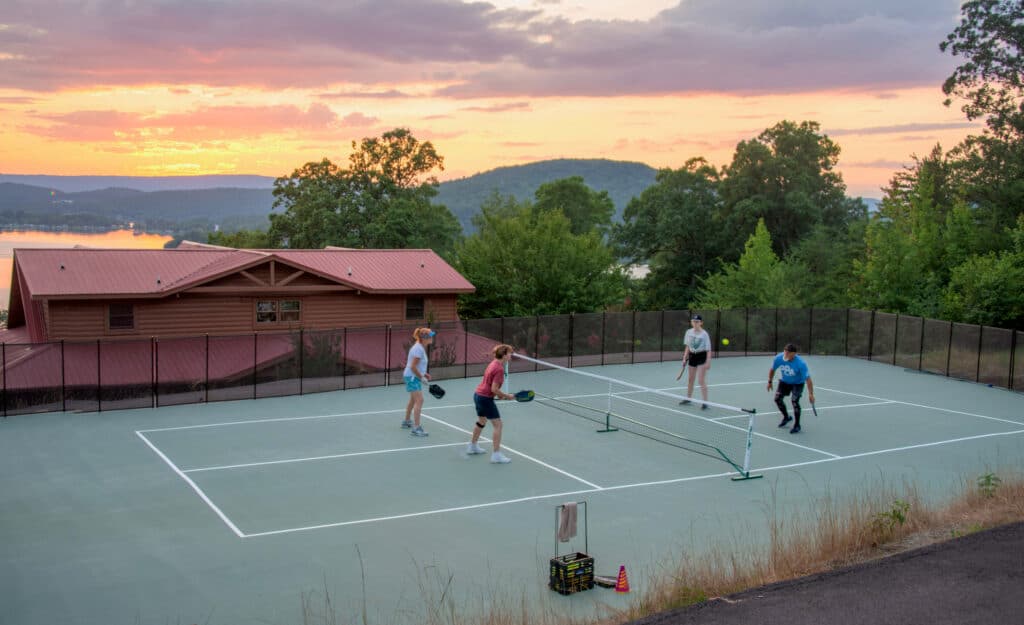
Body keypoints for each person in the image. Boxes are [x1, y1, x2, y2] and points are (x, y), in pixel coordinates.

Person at [466, 344, 516, 464]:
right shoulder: (499, 369)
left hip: (478, 395)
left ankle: (472, 446)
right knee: (498, 425)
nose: (511, 354)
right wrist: (506, 396)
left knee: (482, 421)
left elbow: (492, 387)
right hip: (485, 398)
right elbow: (494, 389)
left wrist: (500, 395)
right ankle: (496, 455)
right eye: (510, 353)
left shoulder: (493, 363)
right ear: (504, 355)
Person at [767, 343, 815, 434]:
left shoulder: (801, 363)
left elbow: (808, 379)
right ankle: (786, 417)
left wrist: (811, 394)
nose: (786, 354)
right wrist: (770, 381)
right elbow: (772, 369)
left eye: (788, 353)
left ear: (794, 354)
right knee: (777, 399)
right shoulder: (779, 358)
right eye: (785, 352)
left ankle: (797, 425)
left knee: (795, 401)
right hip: (785, 382)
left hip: (798, 383)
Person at [401, 327, 435, 437]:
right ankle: (416, 428)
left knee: (413, 400)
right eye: (430, 336)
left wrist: (424, 374)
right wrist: (421, 377)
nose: (432, 337)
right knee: (419, 400)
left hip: (412, 376)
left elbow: (417, 365)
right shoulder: (418, 349)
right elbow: (413, 366)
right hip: (412, 377)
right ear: (425, 338)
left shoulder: (420, 347)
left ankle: (407, 421)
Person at [678, 314, 712, 409]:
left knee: (701, 380)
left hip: (702, 356)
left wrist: (708, 362)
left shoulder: (704, 334)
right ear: (691, 322)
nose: (695, 323)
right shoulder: (689, 332)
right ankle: (688, 398)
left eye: (697, 322)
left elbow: (708, 350)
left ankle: (705, 402)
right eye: (693, 321)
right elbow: (688, 346)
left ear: (701, 323)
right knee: (690, 379)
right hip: (692, 356)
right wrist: (684, 357)